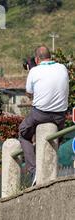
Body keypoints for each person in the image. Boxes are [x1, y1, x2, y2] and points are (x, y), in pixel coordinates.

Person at [20, 45, 69, 186]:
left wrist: (31, 71)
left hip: (40, 114)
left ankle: (33, 170)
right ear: (50, 56)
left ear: (36, 59)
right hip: (60, 117)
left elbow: (29, 94)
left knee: (23, 133)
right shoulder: (62, 68)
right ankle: (49, 167)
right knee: (55, 138)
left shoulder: (34, 71)